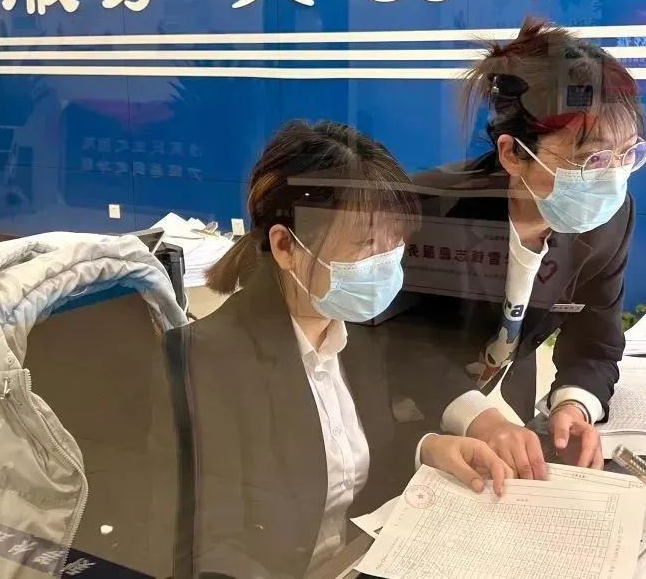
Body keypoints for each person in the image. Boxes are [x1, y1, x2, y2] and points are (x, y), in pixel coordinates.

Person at [188, 120, 511, 578]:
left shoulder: (355, 333)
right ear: (285, 245)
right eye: (366, 243)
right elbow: (212, 549)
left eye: (394, 242)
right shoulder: (210, 361)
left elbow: (354, 457)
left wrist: (429, 448)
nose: (386, 261)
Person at [395, 17, 646, 479]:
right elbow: (399, 346)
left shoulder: (609, 218)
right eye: (590, 158)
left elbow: (595, 341)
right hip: (398, 425)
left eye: (628, 154)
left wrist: (574, 405)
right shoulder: (427, 212)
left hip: (503, 414)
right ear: (513, 154)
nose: (612, 177)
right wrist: (483, 421)